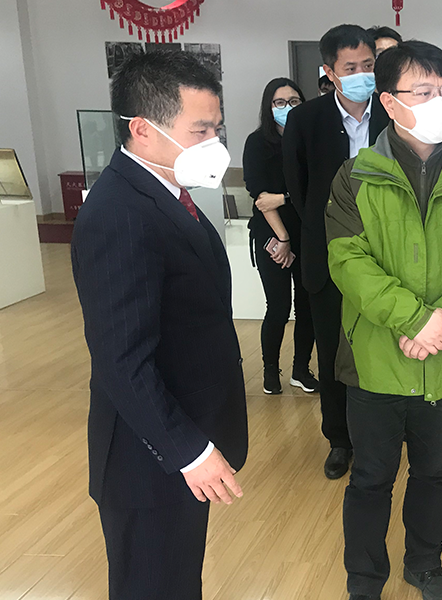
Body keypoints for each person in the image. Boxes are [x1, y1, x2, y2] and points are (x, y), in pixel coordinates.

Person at [326, 40, 442, 600]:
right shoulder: (356, 176)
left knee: (434, 470)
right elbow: (349, 263)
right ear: (388, 101)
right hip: (378, 358)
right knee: (371, 476)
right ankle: (365, 579)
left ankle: (424, 565)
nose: (441, 102)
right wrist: (413, 320)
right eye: (424, 91)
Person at [70, 51, 248, 599]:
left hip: (181, 433)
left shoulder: (167, 193)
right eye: (200, 130)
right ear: (143, 129)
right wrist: (189, 451)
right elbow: (121, 359)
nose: (214, 143)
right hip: (149, 457)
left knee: (178, 579)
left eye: (217, 128)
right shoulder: (118, 213)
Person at [283, 24, 391, 480]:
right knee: (332, 354)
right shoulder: (306, 120)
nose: (362, 74)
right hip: (328, 257)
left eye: (369, 65)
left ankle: (379, 438)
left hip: (388, 257)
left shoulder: (393, 113)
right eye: (351, 68)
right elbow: (298, 189)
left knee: (383, 349)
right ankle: (339, 440)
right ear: (329, 72)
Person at [244, 77, 320, 396]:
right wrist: (283, 239)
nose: (287, 107)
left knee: (307, 306)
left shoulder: (311, 139)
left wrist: (284, 197)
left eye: (294, 101)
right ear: (269, 106)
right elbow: (262, 199)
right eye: (279, 102)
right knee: (278, 306)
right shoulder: (257, 143)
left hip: (307, 234)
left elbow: (317, 188)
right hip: (271, 235)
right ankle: (270, 370)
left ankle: (301, 370)